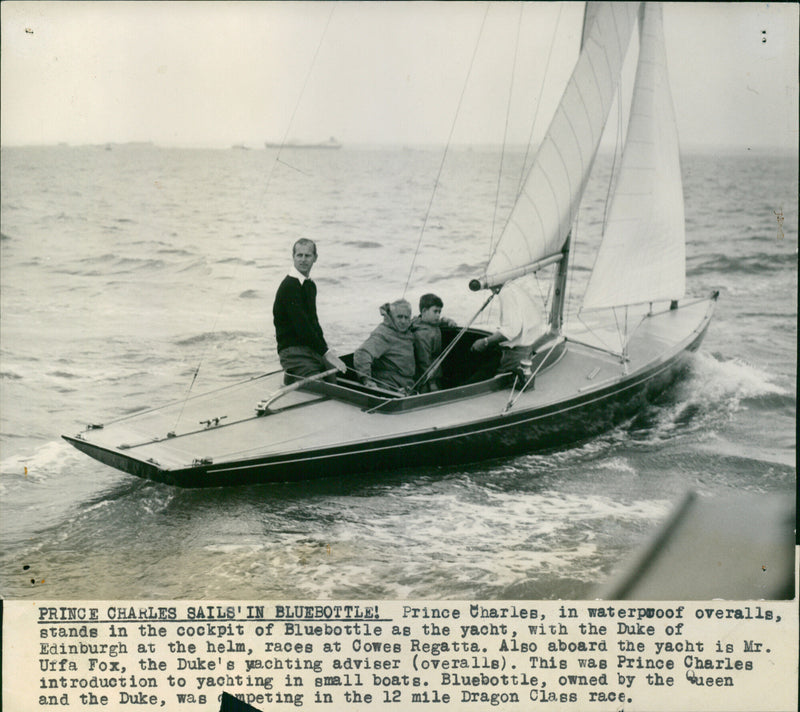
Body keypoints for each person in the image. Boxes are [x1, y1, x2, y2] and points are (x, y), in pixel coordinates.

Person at [272, 238, 346, 384]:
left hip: (309, 348)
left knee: (334, 378)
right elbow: (302, 327)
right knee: (320, 386)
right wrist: (326, 353)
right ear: (293, 257)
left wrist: (326, 352)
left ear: (315, 258)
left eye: (308, 256)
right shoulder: (289, 286)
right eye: (299, 255)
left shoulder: (310, 285)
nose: (303, 260)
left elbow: (314, 323)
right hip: (291, 352)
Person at [470, 277, 545, 380]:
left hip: (515, 353)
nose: (488, 288)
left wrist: (485, 341)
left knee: (492, 380)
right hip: (526, 349)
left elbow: (511, 331)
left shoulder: (506, 293)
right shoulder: (514, 287)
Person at [353, 300, 415, 393]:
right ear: (391, 317)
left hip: (407, 384)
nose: (403, 321)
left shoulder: (406, 329)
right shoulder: (383, 334)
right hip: (390, 385)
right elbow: (361, 354)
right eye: (399, 317)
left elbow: (419, 322)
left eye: (406, 317)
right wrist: (366, 379)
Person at [410, 293, 457, 392]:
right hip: (425, 379)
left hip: (436, 372)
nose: (438, 315)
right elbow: (424, 361)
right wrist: (432, 383)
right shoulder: (421, 334)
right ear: (424, 311)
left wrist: (447, 320)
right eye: (435, 311)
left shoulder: (430, 323)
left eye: (439, 312)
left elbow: (440, 320)